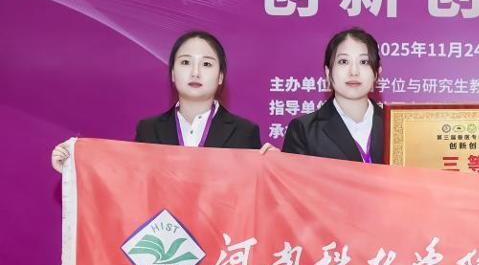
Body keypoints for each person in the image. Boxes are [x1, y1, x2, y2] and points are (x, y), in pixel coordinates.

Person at [51, 30, 265, 172]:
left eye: (207, 64)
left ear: (220, 77)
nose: (195, 72)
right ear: (172, 73)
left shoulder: (244, 132)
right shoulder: (149, 130)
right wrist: (74, 165)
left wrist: (272, 165)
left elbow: (257, 197)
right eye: (185, 62)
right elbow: (125, 179)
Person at [281, 27, 384, 163]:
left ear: (376, 73)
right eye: (343, 61)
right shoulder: (304, 131)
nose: (354, 71)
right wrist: (275, 163)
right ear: (328, 72)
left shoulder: (395, 126)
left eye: (364, 62)